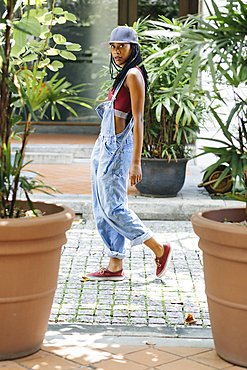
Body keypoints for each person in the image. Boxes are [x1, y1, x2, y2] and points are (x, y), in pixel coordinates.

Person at [87, 26, 173, 281]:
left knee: (114, 208)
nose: (116, 51)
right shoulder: (124, 74)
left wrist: (136, 162)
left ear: (132, 48)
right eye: (113, 47)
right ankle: (115, 265)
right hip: (103, 145)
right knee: (102, 207)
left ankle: (159, 248)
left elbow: (139, 119)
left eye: (121, 47)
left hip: (117, 150)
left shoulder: (134, 75)